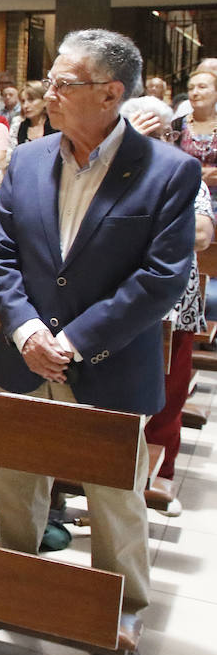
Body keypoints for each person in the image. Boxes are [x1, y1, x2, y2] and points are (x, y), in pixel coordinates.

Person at [0, 29, 200, 655]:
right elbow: (1, 256)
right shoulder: (26, 159)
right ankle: (9, 588)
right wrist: (25, 332)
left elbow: (161, 279)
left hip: (108, 363)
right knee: (16, 482)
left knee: (114, 499)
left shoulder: (168, 171)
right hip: (26, 354)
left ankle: (120, 609)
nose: (48, 91)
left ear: (110, 94)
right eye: (50, 79)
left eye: (63, 83)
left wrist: (72, 341)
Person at [123, 95, 211, 515]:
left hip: (174, 309)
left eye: (161, 135)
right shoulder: (110, 173)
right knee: (114, 404)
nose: (154, 144)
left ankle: (163, 475)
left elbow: (200, 235)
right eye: (143, 136)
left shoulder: (184, 173)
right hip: (118, 306)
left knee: (166, 397)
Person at [176, 67, 217, 187]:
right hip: (186, 196)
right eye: (190, 88)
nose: (194, 93)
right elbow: (167, 163)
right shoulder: (176, 126)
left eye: (202, 87)